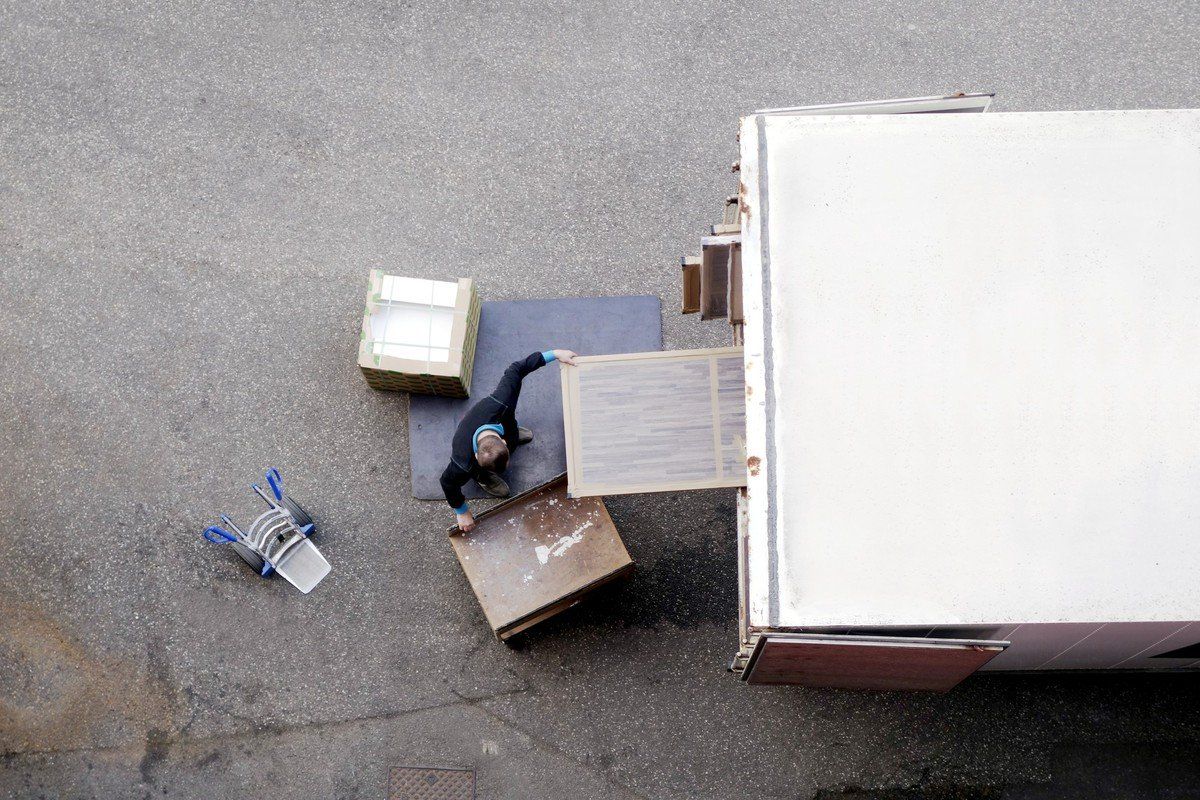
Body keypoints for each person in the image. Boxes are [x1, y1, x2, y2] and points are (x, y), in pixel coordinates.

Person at [440, 348, 578, 532]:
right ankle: (483, 476)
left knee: (511, 429)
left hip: (504, 424)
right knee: (476, 472)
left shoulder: (502, 401)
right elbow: (447, 483)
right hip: (483, 451)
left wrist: (556, 354)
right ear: (475, 454)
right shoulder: (462, 463)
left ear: (503, 442)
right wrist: (461, 511)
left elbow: (516, 369)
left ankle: (513, 433)